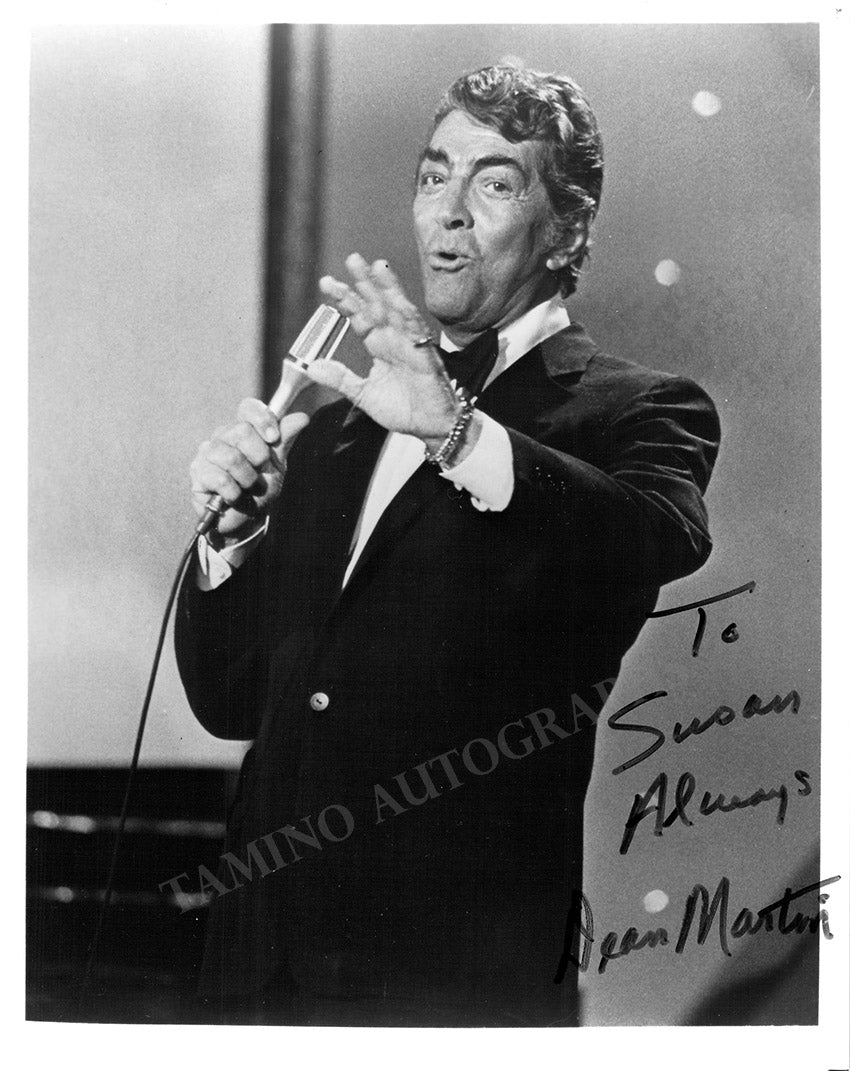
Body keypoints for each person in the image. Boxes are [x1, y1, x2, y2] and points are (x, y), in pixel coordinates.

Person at [175, 65, 720, 1027]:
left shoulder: (638, 410)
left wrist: (458, 433)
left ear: (568, 230)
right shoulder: (341, 434)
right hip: (257, 966)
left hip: (451, 973)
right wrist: (235, 538)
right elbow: (231, 702)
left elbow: (656, 536)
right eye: (435, 177)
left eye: (495, 182)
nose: (449, 212)